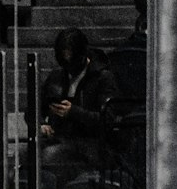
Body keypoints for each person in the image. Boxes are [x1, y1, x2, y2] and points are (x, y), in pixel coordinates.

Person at [39, 27, 120, 173]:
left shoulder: (103, 78)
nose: (69, 68)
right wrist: (42, 124)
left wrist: (74, 112)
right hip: (59, 138)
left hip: (89, 143)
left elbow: (107, 120)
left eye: (72, 64)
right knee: (21, 157)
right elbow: (34, 108)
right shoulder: (57, 76)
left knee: (48, 157)